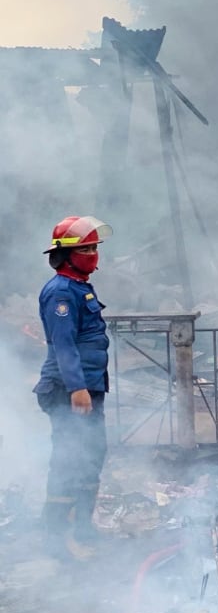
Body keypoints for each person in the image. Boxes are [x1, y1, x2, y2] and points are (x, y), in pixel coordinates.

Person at [33, 215, 113, 561]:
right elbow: (64, 345)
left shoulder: (81, 287)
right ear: (67, 254)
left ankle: (83, 526)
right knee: (69, 460)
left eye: (95, 247)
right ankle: (57, 538)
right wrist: (77, 387)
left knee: (91, 456)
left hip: (87, 389)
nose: (93, 253)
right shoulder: (61, 292)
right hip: (67, 390)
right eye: (86, 248)